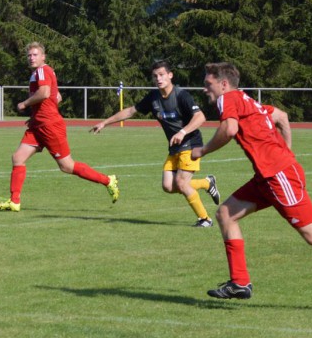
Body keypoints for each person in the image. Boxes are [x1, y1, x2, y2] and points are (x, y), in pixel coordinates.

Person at [190, 61, 312, 299]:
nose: (205, 89)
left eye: (208, 84)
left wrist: (202, 151)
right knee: (225, 213)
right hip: (268, 176)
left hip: (277, 175)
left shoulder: (229, 99)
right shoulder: (249, 101)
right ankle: (240, 282)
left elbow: (230, 129)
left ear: (223, 84)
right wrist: (285, 154)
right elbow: (282, 117)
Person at [90, 60, 220, 226]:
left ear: (170, 75)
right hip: (175, 147)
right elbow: (130, 111)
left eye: (162, 75)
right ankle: (207, 183)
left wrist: (182, 131)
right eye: (155, 76)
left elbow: (200, 117)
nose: (158, 79)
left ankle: (205, 219)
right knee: (168, 186)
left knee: (181, 183)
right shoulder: (153, 98)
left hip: (191, 143)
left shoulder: (181, 95)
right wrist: (104, 123)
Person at [0, 42, 118, 211]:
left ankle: (108, 181)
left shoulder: (43, 70)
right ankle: (14, 201)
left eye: (35, 55)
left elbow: (44, 93)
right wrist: (36, 115)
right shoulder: (39, 73)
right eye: (29, 55)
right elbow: (56, 96)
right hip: (38, 125)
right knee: (18, 158)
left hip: (50, 126)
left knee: (67, 166)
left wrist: (25, 103)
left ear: (43, 56)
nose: (31, 58)